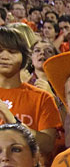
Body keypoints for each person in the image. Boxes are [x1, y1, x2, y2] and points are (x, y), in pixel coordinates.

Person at [0, 27, 61, 158]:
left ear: (24, 57)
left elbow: (47, 144)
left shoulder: (42, 97)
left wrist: (12, 121)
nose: (4, 56)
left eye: (11, 51)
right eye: (0, 51)